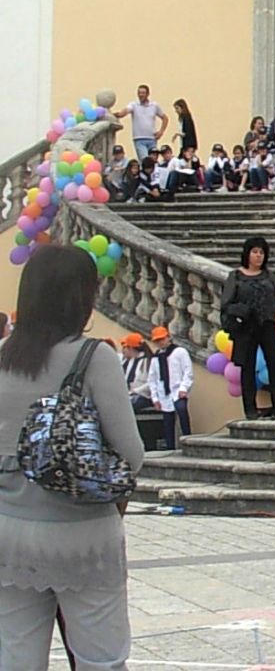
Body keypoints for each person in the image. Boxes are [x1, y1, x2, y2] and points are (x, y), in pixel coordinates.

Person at [0, 245, 144, 669]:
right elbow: (131, 454)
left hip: (10, 532)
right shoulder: (94, 357)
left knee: (16, 657)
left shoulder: (4, 354)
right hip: (84, 535)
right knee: (101, 657)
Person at [220, 236, 275, 420]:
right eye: (255, 252)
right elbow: (226, 303)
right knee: (247, 366)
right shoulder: (236, 276)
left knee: (274, 363)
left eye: (261, 252)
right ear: (247, 254)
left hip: (267, 323)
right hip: (245, 326)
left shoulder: (268, 276)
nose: (258, 256)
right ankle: (250, 408)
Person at [147, 325, 193, 449]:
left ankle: (188, 440)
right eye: (157, 340)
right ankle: (170, 447)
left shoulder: (180, 352)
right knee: (168, 422)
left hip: (178, 390)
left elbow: (188, 371)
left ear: (168, 337)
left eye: (162, 339)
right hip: (164, 393)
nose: (160, 342)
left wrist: (184, 388)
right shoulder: (156, 357)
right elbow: (152, 379)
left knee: (182, 412)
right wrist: (155, 398)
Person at [113, 83, 169, 160]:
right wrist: (116, 114)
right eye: (139, 93)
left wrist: (161, 131)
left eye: (143, 93)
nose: (141, 95)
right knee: (144, 160)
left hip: (152, 138)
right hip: (139, 139)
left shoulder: (154, 105)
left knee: (153, 161)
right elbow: (124, 112)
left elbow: (165, 118)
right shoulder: (134, 105)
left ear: (148, 94)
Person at [121, 331, 154, 412]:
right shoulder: (131, 361)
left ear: (132, 348)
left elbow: (152, 383)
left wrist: (135, 391)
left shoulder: (148, 361)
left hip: (144, 396)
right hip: (131, 393)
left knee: (125, 405)